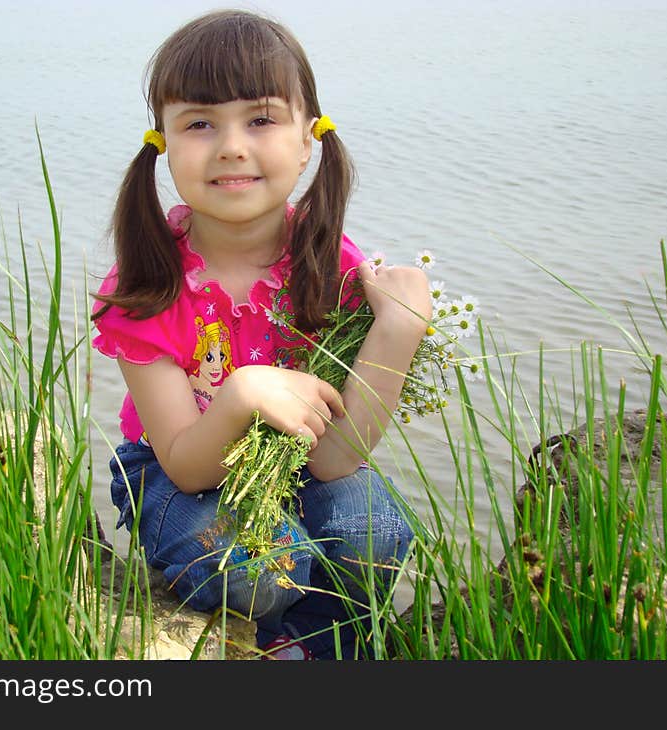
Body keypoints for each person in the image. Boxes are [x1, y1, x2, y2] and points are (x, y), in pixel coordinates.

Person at [91, 9, 432, 660]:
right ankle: (249, 627)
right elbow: (187, 467)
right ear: (162, 141)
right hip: (176, 470)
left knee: (376, 534)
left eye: (261, 119)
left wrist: (399, 329)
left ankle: (312, 647)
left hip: (303, 460)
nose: (232, 146)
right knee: (258, 565)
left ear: (308, 138)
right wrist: (243, 392)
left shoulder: (329, 261)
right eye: (199, 123)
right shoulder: (148, 283)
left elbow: (335, 459)